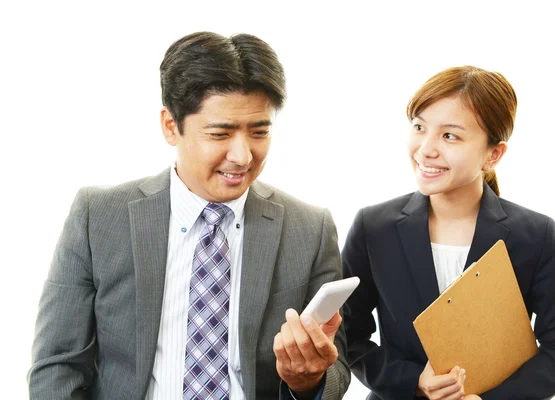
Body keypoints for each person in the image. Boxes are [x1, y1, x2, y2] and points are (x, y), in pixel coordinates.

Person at [28, 31, 350, 400]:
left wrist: (307, 381)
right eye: (219, 134)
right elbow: (58, 366)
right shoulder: (98, 217)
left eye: (259, 132)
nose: (243, 156)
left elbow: (337, 371)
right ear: (171, 126)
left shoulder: (310, 229)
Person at [341, 66, 555, 399]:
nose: (426, 149)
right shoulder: (374, 228)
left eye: (449, 135)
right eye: (419, 127)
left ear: (493, 154)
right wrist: (413, 379)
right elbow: (348, 335)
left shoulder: (536, 236)